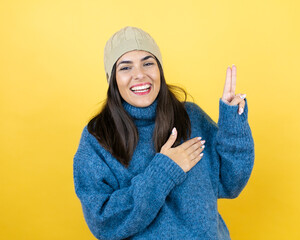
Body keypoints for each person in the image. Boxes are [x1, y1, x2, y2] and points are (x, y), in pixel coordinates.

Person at [73, 26, 255, 240]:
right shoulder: (97, 138)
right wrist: (164, 171)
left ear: (159, 69)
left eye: (148, 63)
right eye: (125, 67)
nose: (139, 74)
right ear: (112, 78)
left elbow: (230, 183)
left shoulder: (191, 117)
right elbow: (104, 222)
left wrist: (233, 122)